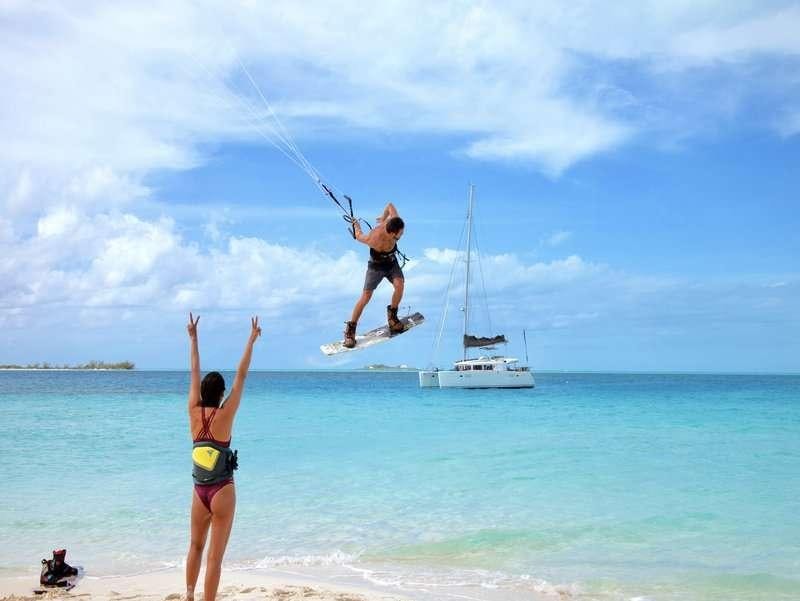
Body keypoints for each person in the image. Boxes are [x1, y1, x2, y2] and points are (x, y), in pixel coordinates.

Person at [185, 313, 261, 601]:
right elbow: (241, 376)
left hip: (199, 491)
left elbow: (194, 371)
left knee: (195, 546)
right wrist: (251, 340)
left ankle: (189, 594)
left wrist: (193, 338)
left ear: (203, 391)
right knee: (214, 559)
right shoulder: (226, 414)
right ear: (222, 394)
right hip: (222, 492)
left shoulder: (193, 411)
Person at [343, 202, 405, 348]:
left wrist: (383, 217)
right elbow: (358, 236)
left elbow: (390, 205)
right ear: (392, 233)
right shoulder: (374, 238)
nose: (402, 234)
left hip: (391, 263)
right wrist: (356, 226)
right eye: (400, 234)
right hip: (376, 266)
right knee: (366, 296)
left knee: (400, 285)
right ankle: (350, 330)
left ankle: (392, 317)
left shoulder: (395, 221)